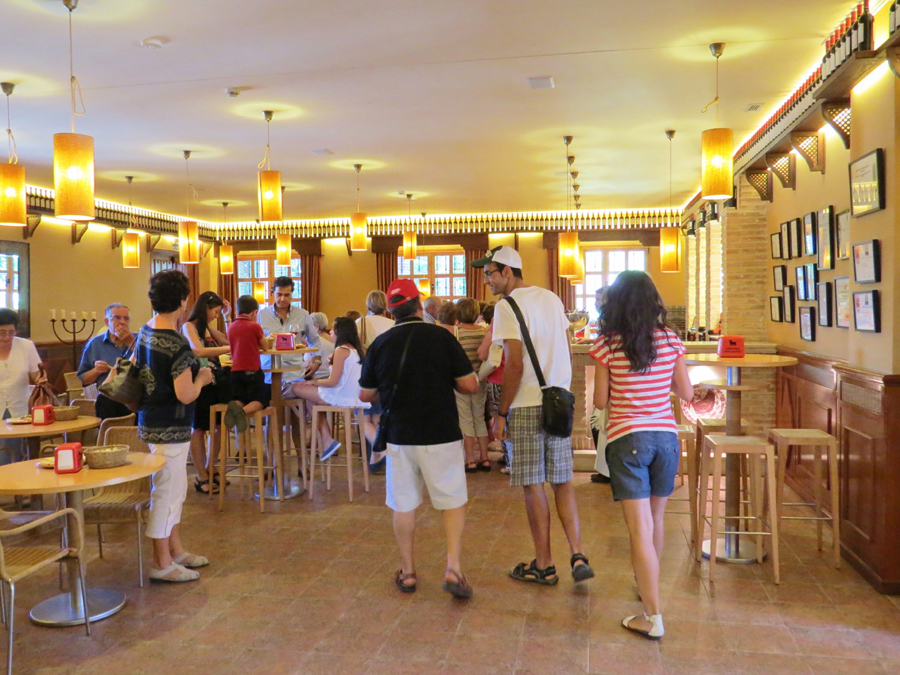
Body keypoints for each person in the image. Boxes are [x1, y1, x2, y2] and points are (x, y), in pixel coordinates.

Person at [474, 245, 594, 585]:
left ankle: (544, 564)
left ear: (507, 271)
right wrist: (562, 388)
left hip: (526, 404)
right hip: (558, 401)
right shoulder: (552, 298)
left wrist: (501, 413)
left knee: (533, 484)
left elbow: (513, 363)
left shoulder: (506, 307)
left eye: (490, 273)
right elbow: (567, 349)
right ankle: (578, 554)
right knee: (562, 481)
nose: (487, 280)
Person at [359, 279, 478, 599]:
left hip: (400, 434)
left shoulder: (381, 343)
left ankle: (408, 572)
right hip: (441, 431)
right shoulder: (442, 337)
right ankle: (453, 568)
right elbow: (469, 385)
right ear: (419, 305)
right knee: (452, 501)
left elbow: (365, 394)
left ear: (391, 311)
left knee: (403, 503)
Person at [590, 271, 693, 640]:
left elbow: (600, 401)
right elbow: (686, 392)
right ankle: (646, 586)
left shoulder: (607, 343)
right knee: (656, 519)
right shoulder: (670, 339)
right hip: (666, 438)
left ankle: (653, 617)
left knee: (638, 531)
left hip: (628, 439)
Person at [136, 270, 213, 582]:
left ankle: (176, 549)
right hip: (172, 424)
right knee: (167, 492)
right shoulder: (176, 343)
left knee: (175, 489)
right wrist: (202, 378)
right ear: (182, 301)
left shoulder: (146, 330)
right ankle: (161, 562)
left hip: (150, 420)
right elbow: (186, 393)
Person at [292, 317, 371, 461]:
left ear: (340, 332)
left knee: (296, 387)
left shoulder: (341, 350)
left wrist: (314, 382)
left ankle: (326, 439)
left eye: (333, 329)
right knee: (311, 400)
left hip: (340, 395)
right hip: (353, 395)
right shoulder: (359, 350)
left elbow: (333, 382)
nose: (330, 332)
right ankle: (326, 440)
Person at [182, 291, 231, 494]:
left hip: (215, 381)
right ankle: (201, 474)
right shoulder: (189, 326)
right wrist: (228, 350)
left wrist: (227, 317)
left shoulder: (207, 329)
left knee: (219, 426)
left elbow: (229, 339)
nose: (215, 316)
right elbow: (198, 351)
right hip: (198, 382)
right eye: (215, 311)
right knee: (199, 429)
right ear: (205, 308)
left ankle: (212, 466)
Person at [258, 277, 321, 397]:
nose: (282, 299)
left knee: (295, 404)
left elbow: (314, 340)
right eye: (279, 294)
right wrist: (266, 339)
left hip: (294, 373)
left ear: (292, 295)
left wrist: (317, 360)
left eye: (287, 295)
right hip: (268, 372)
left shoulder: (302, 314)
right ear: (272, 293)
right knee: (269, 403)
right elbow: (254, 341)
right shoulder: (262, 314)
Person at [77, 303, 136, 420]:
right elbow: (83, 381)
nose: (122, 322)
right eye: (117, 318)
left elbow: (151, 365)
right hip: (107, 401)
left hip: (134, 400)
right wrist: (96, 371)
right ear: (107, 322)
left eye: (126, 318)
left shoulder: (139, 340)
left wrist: (130, 342)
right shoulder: (94, 344)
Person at [0, 309, 44, 464]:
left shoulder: (26, 346)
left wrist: (40, 379)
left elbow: (37, 372)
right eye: (2, 332)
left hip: (20, 405)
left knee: (16, 450)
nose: (7, 337)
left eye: (11, 332)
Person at [454, 298, 489, 472]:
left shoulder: (456, 333)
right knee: (479, 417)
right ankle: (485, 457)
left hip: (462, 381)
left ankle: (470, 460)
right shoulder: (483, 332)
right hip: (480, 379)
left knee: (465, 419)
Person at [226, 295, 269, 432]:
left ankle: (235, 407)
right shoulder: (255, 326)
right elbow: (265, 347)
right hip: (252, 371)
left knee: (241, 398)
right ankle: (241, 412)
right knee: (261, 400)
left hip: (235, 372)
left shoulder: (231, 327)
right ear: (255, 312)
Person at [307, 312, 334, 380]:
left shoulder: (315, 342)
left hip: (317, 378)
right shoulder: (333, 339)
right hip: (330, 376)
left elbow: (309, 365)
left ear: (316, 327)